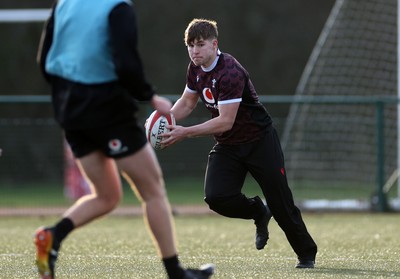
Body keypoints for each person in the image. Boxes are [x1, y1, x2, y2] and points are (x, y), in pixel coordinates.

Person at [34, 2, 214, 279]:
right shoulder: (117, 7)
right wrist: (150, 96)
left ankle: (52, 237)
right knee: (152, 189)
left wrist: (69, 93)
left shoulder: (64, 4)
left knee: (107, 196)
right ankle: (176, 272)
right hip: (107, 110)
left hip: (69, 109)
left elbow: (45, 62)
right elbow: (126, 63)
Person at [162, 18, 318, 268]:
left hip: (259, 142)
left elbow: (225, 121)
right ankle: (258, 211)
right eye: (190, 45)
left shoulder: (230, 71)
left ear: (215, 44)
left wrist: (184, 132)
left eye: (200, 45)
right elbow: (188, 102)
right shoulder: (195, 69)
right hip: (229, 145)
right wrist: (165, 119)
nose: (195, 51)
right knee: (216, 197)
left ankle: (306, 254)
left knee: (280, 203)